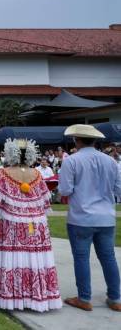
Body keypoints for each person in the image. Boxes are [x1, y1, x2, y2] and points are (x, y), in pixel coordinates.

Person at [0, 138, 62, 312]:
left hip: (11, 224)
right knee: (35, 260)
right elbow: (44, 203)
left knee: (13, 259)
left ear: (10, 152)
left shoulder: (2, 174)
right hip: (36, 225)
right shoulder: (36, 174)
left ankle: (14, 297)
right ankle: (36, 297)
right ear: (30, 154)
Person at [58, 124, 121, 312]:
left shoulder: (71, 161)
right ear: (94, 141)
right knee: (109, 257)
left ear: (77, 140)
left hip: (81, 217)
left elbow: (65, 190)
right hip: (106, 217)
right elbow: (119, 190)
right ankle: (115, 297)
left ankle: (84, 298)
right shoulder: (111, 161)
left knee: (81, 258)